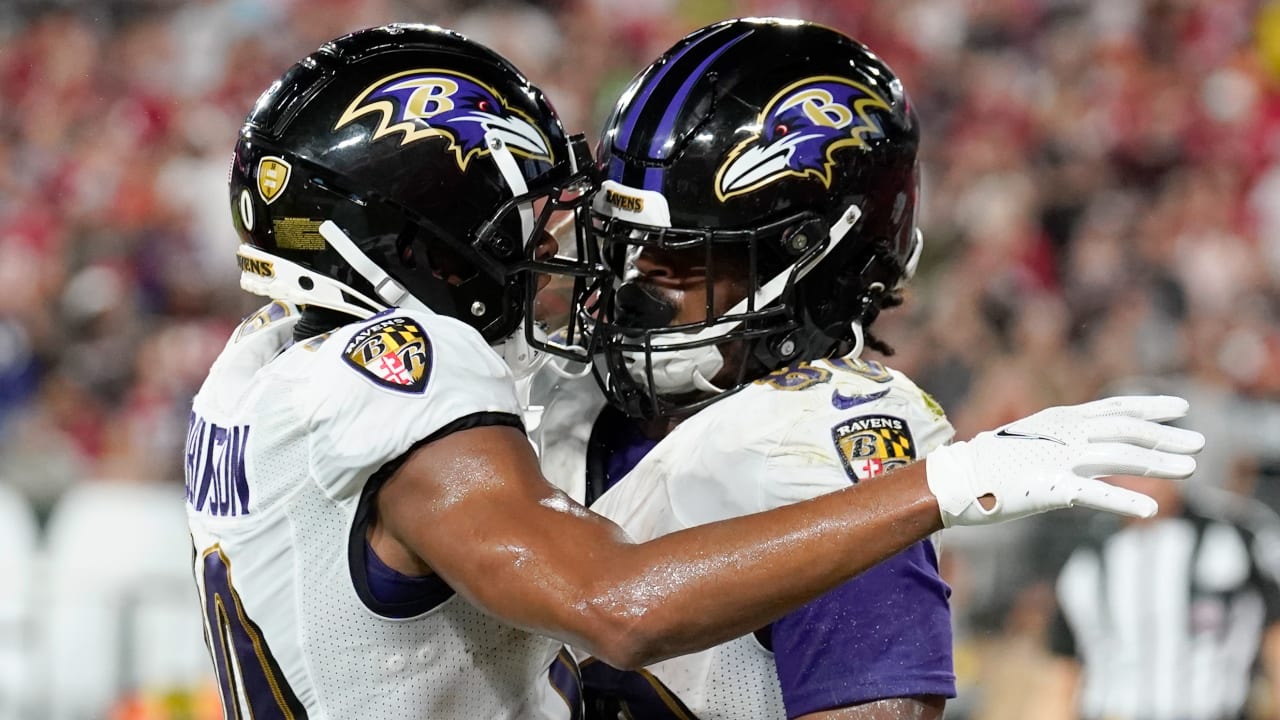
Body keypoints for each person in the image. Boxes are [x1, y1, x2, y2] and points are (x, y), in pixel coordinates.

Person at [186, 22, 1203, 720]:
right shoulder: (416, 375)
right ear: (418, 247)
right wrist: (931, 487)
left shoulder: (254, 371)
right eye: (513, 226)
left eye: (677, 257)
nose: (599, 274)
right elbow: (616, 603)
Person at [523, 18, 1188, 719]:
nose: (632, 286)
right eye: (625, 245)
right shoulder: (550, 403)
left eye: (683, 257)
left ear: (817, 265)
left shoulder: (817, 455)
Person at [1044, 399, 1280, 720]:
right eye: (1128, 462)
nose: (1141, 475)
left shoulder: (1235, 538)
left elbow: (1274, 633)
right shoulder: (1086, 557)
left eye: (1152, 460)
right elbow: (1065, 665)